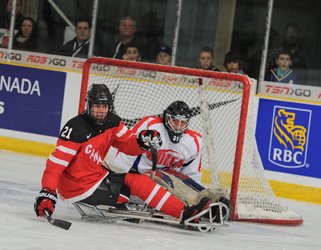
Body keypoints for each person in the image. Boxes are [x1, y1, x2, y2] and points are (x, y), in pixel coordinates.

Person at [34, 84, 211, 223]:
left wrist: (142, 141)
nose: (101, 111)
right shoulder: (76, 128)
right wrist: (48, 193)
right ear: (88, 105)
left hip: (97, 177)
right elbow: (54, 166)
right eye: (96, 106)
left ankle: (131, 202)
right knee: (139, 183)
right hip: (79, 187)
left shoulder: (112, 121)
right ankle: (185, 213)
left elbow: (127, 145)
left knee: (133, 184)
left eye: (104, 106)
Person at [106, 101, 229, 208]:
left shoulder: (193, 141)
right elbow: (127, 148)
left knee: (176, 177)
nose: (178, 127)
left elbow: (191, 174)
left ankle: (206, 199)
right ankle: (198, 204)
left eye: (182, 123)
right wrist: (118, 180)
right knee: (167, 176)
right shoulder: (151, 125)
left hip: (170, 180)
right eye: (175, 121)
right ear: (166, 118)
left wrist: (198, 189)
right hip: (139, 175)